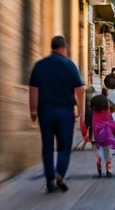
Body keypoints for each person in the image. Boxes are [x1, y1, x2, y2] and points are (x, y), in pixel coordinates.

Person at [29, 36, 85, 194]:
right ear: (64, 48)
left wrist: (33, 112)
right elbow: (80, 89)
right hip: (65, 111)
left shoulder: (40, 65)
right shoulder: (69, 65)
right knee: (64, 146)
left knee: (47, 145)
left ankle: (49, 178)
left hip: (45, 110)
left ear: (52, 47)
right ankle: (59, 173)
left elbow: (33, 90)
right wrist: (80, 110)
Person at [89, 93, 115, 177]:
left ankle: (99, 168)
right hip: (106, 135)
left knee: (97, 153)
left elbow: (90, 124)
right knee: (108, 153)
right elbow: (111, 122)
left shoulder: (93, 113)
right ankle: (108, 169)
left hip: (95, 135)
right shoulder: (107, 112)